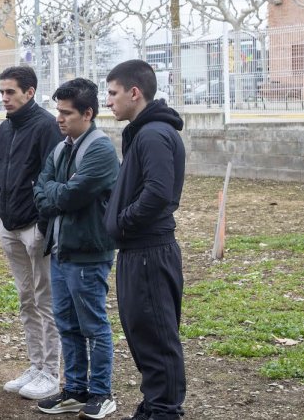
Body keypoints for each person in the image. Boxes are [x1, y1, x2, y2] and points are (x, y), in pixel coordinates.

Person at [103, 60, 186, 420]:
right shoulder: (142, 132)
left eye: (112, 93)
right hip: (138, 250)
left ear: (134, 93)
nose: (109, 102)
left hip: (150, 249)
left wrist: (122, 222)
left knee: (155, 336)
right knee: (142, 332)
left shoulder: (153, 134)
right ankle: (154, 404)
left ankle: (165, 410)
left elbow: (157, 193)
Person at [33, 78, 120, 419]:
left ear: (88, 113)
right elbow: (41, 191)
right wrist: (56, 193)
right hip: (61, 250)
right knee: (67, 324)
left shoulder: (99, 149)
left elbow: (69, 196)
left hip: (87, 253)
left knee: (93, 326)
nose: (59, 119)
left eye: (67, 113)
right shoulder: (62, 147)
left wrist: (55, 193)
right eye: (58, 111)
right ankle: (74, 389)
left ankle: (101, 392)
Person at [0, 65, 64, 400]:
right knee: (26, 299)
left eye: (11, 92)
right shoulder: (5, 129)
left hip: (35, 227)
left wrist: (44, 224)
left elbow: (53, 178)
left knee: (45, 299)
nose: (4, 98)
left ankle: (52, 371)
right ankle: (36, 365)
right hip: (9, 224)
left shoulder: (47, 126)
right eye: (2, 92)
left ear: (30, 92)